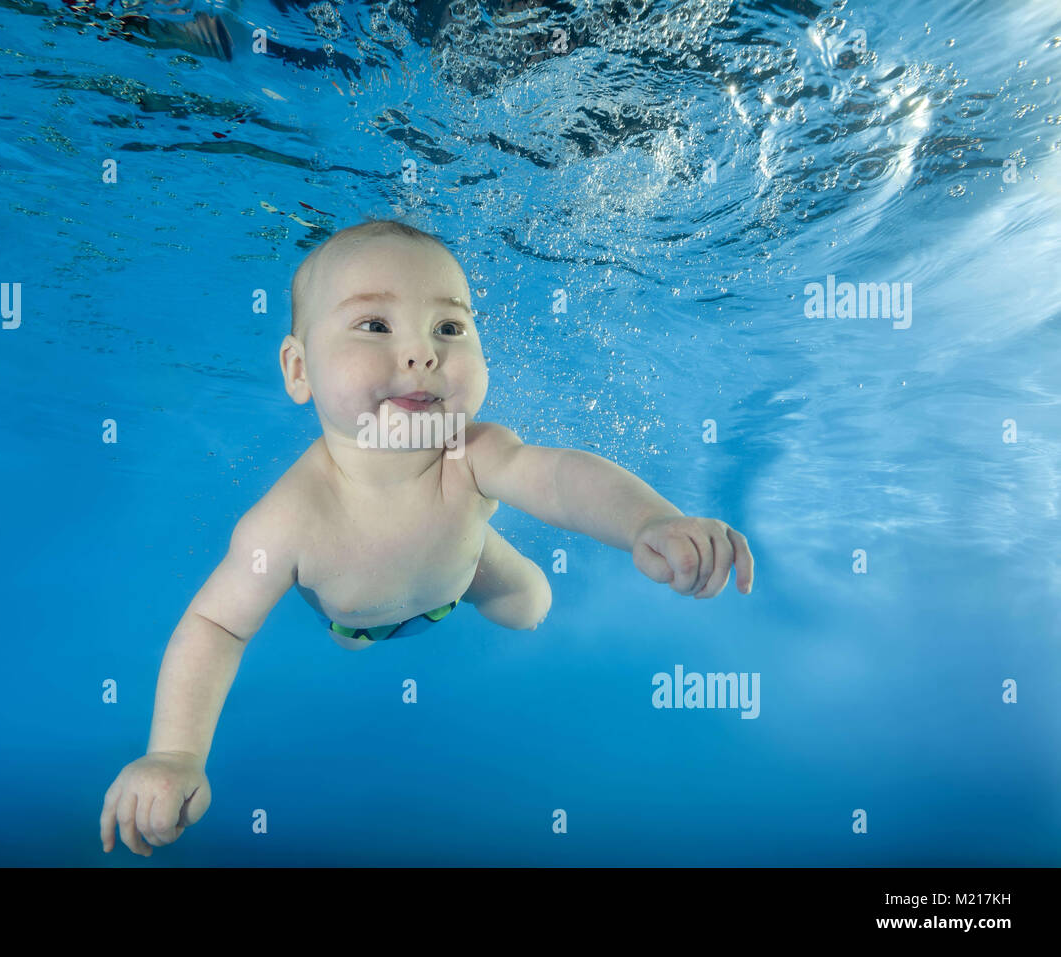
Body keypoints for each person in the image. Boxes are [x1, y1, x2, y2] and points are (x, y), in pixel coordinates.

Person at [100, 219, 754, 855]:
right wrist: (174, 752)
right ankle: (383, 621)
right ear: (299, 370)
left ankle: (481, 565)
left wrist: (650, 520)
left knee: (530, 605)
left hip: (461, 571)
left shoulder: (471, 452)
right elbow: (217, 626)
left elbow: (558, 479)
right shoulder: (287, 519)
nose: (423, 351)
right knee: (353, 641)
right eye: (375, 325)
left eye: (449, 326)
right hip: (358, 617)